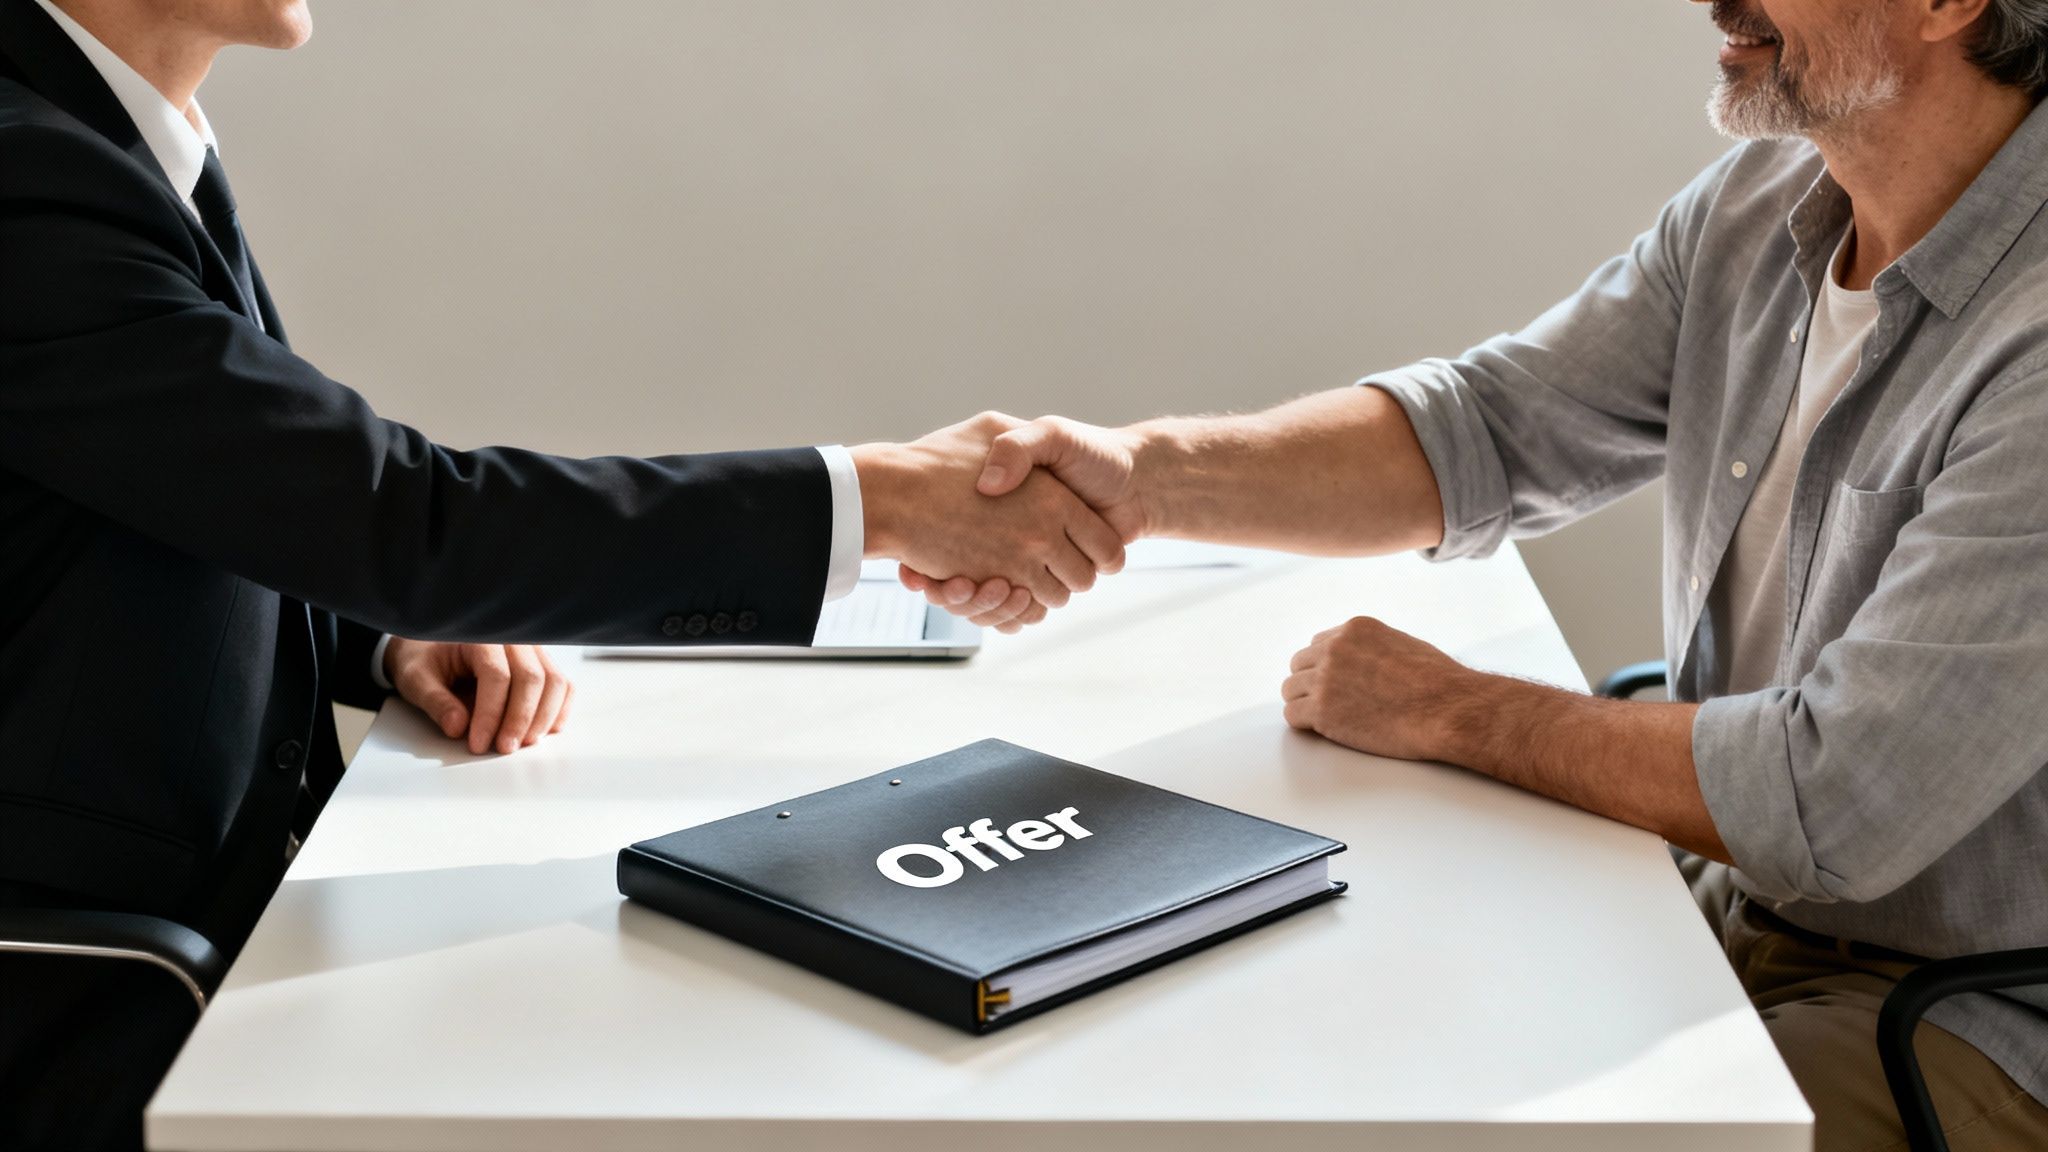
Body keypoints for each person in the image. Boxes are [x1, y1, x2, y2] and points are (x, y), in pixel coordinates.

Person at [908, 0, 2048, 1147]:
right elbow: (1488, 430)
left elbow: (1838, 801)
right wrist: (1143, 477)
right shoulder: (1759, 209)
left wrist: (1452, 711)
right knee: (1341, 1032)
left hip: (1966, 1013)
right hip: (1736, 899)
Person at [0, 0, 1119, 1145]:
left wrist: (379, 630)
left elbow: (188, 487)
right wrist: (877, 500)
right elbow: (409, 522)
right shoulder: (28, 173)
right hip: (88, 982)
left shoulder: (111, 132)